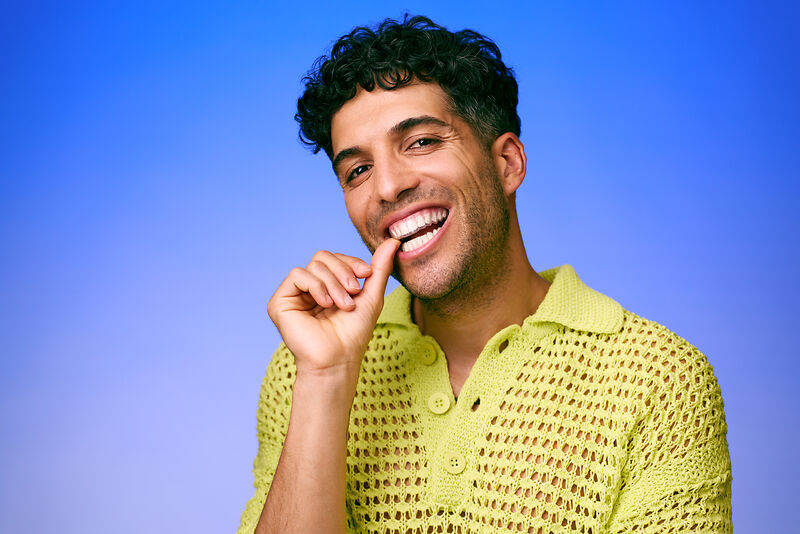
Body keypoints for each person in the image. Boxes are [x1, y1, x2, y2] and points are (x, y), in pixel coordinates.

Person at [237, 15, 731, 534]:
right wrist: (326, 376)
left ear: (508, 163)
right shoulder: (302, 371)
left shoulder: (661, 379)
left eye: (422, 141)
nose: (386, 186)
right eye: (357, 170)